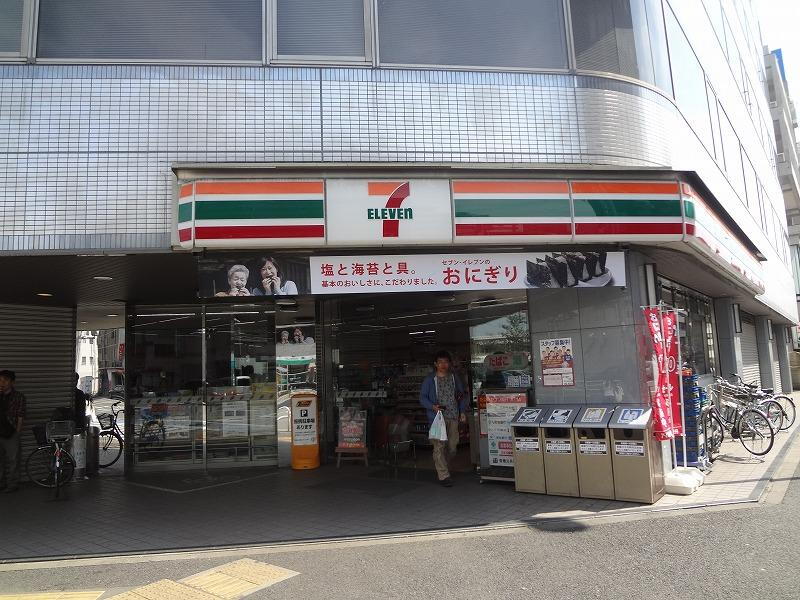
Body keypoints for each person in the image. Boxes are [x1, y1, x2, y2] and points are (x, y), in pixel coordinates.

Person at [419, 350, 467, 487]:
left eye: (445, 362)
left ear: (449, 363)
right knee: (439, 447)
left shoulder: (454, 377)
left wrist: (462, 411)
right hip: (437, 419)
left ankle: (444, 466)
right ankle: (443, 475)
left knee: (452, 447)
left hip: (453, 416)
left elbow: (461, 395)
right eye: (440, 362)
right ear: (435, 364)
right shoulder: (429, 379)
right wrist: (432, 407)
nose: (443, 365)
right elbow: (422, 397)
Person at [0, 370, 26, 493]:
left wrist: (17, 432)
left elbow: (21, 415)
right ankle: (1, 483)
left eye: (5, 380)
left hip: (11, 432)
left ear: (12, 382)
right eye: (0, 380)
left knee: (13, 460)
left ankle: (12, 484)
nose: (2, 383)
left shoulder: (18, 396)